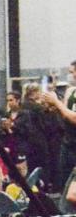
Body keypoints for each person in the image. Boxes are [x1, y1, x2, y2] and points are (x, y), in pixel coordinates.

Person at [42, 60, 76, 191]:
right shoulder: (71, 91)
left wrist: (56, 102)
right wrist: (53, 106)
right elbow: (65, 115)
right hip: (68, 145)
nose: (71, 75)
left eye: (73, 72)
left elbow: (74, 118)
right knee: (64, 184)